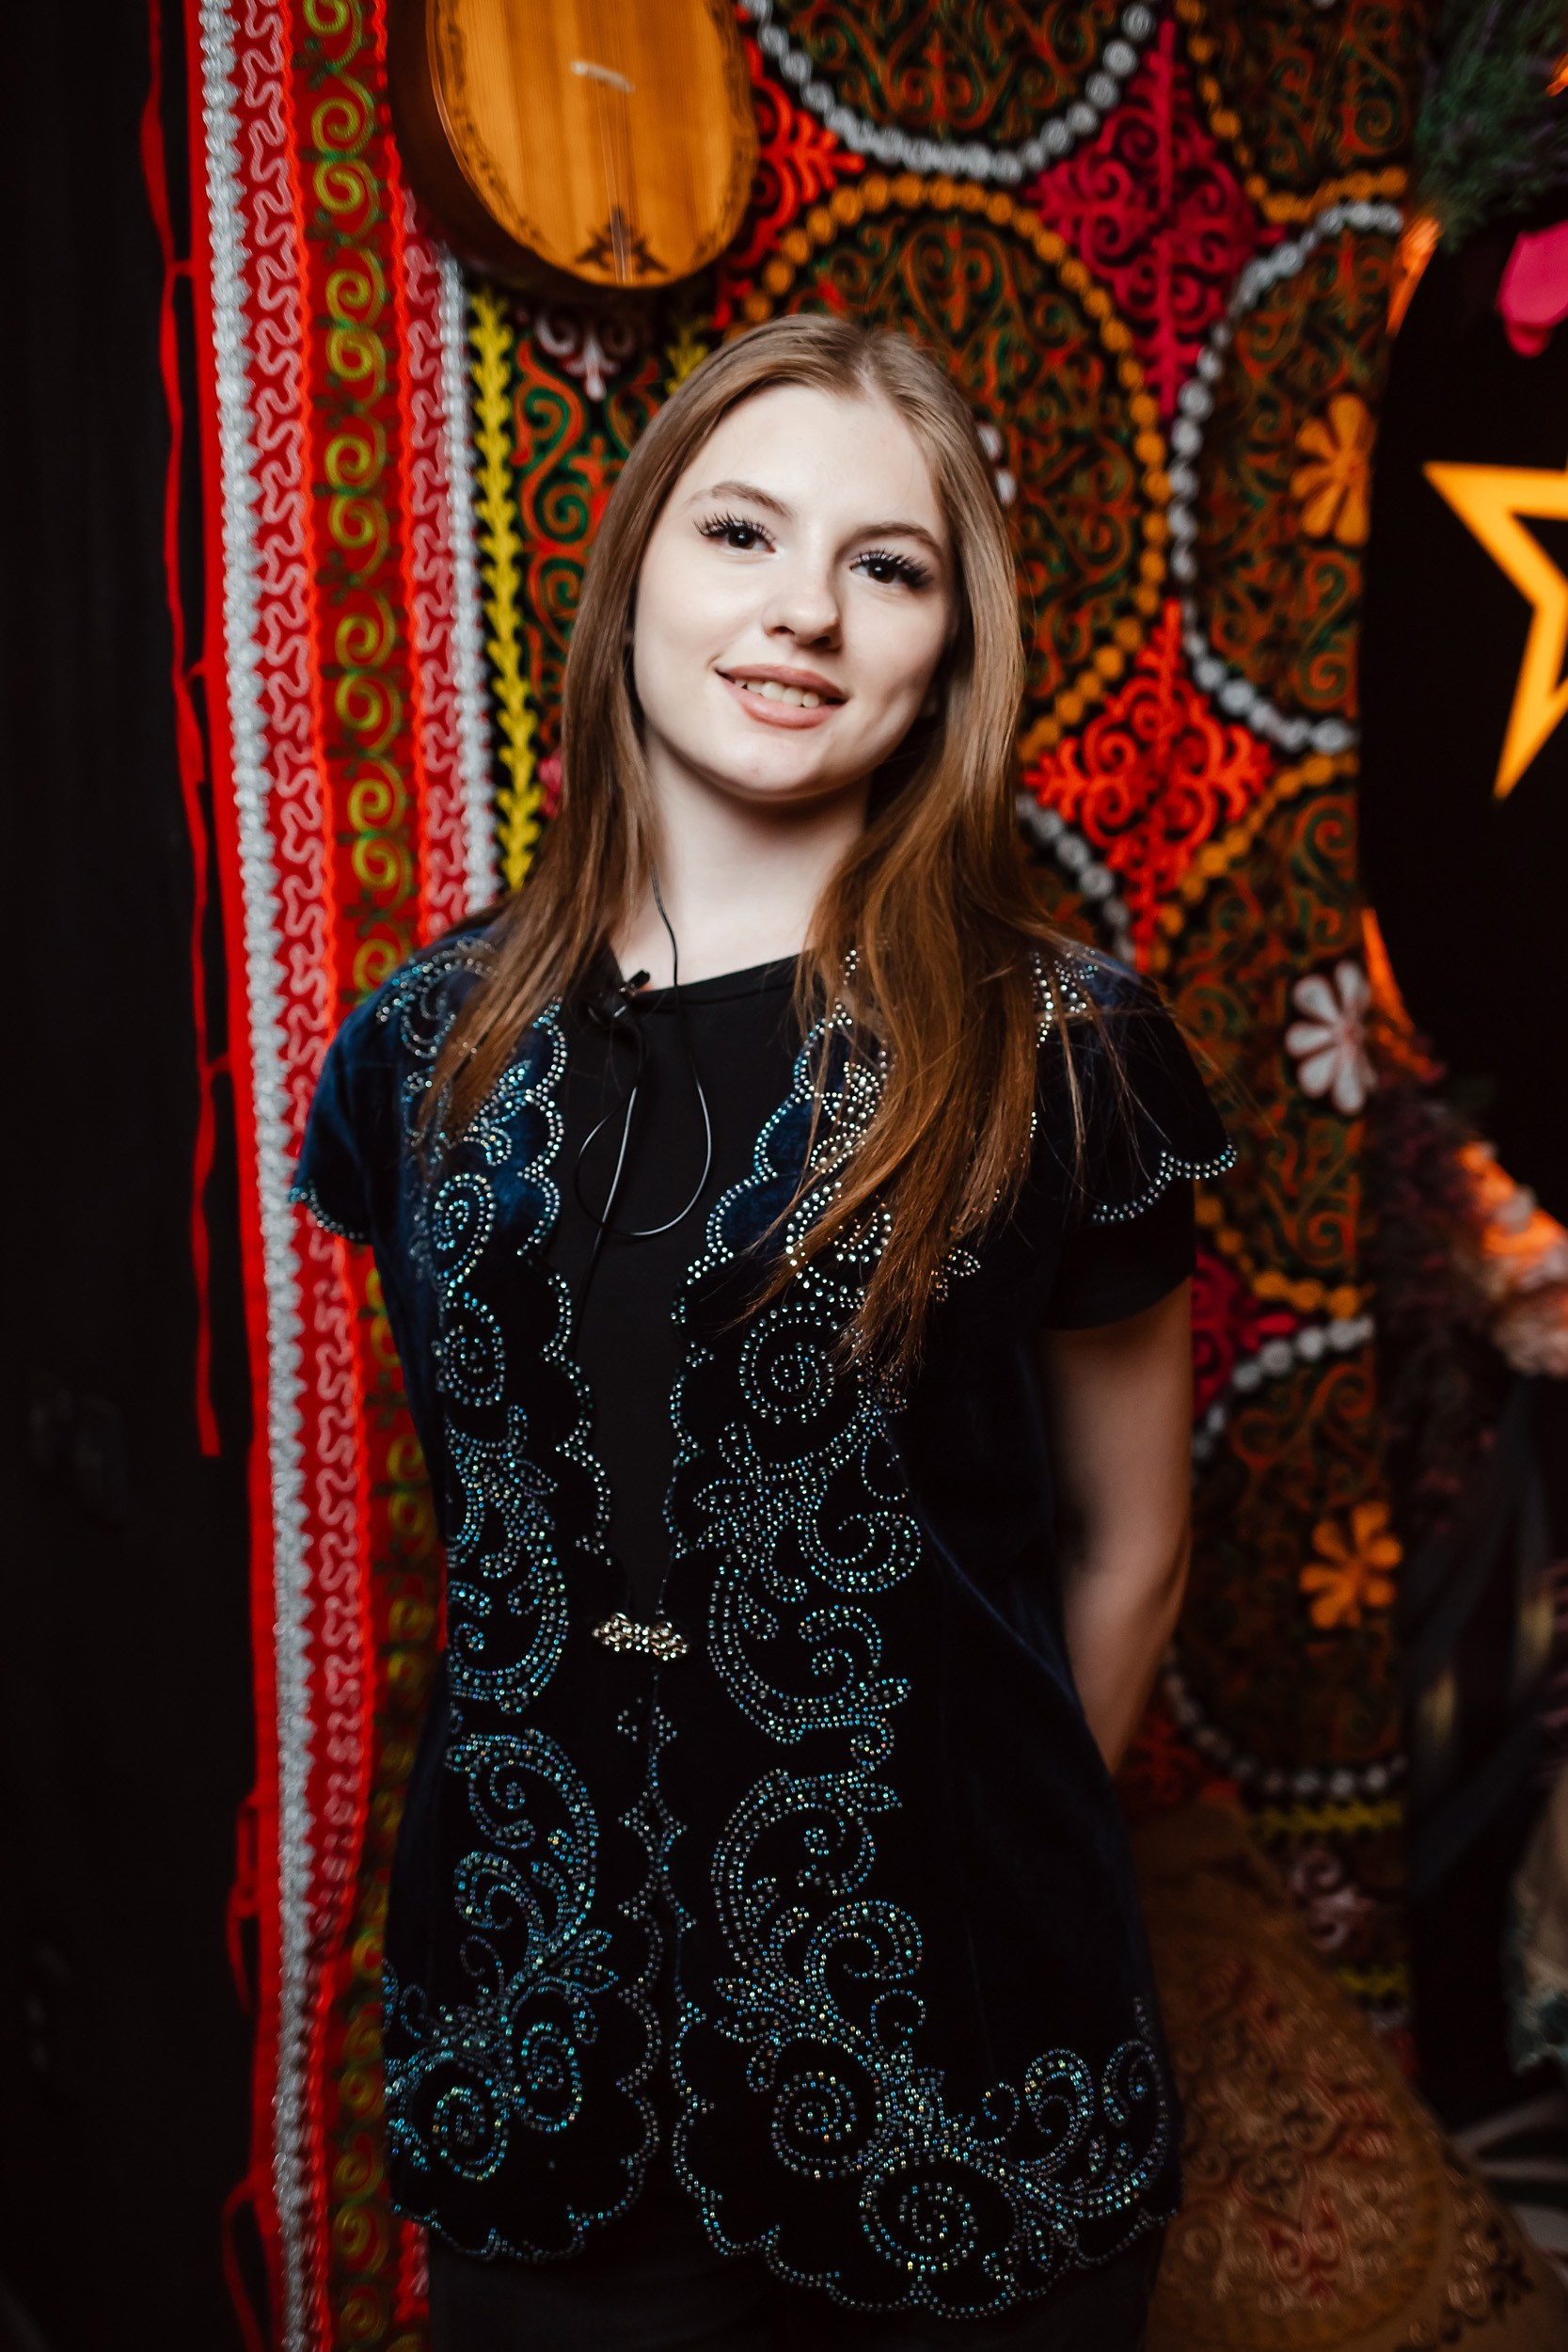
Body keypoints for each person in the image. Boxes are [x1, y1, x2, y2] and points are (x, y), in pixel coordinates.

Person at [292, 315, 1231, 2350]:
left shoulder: (1068, 1049)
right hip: (539, 2044)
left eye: (888, 565)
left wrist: (966, 1856)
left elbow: (1132, 1540)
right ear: (631, 568)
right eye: (742, 530)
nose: (805, 608)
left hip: (958, 2058)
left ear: (949, 650)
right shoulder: (420, 1044)